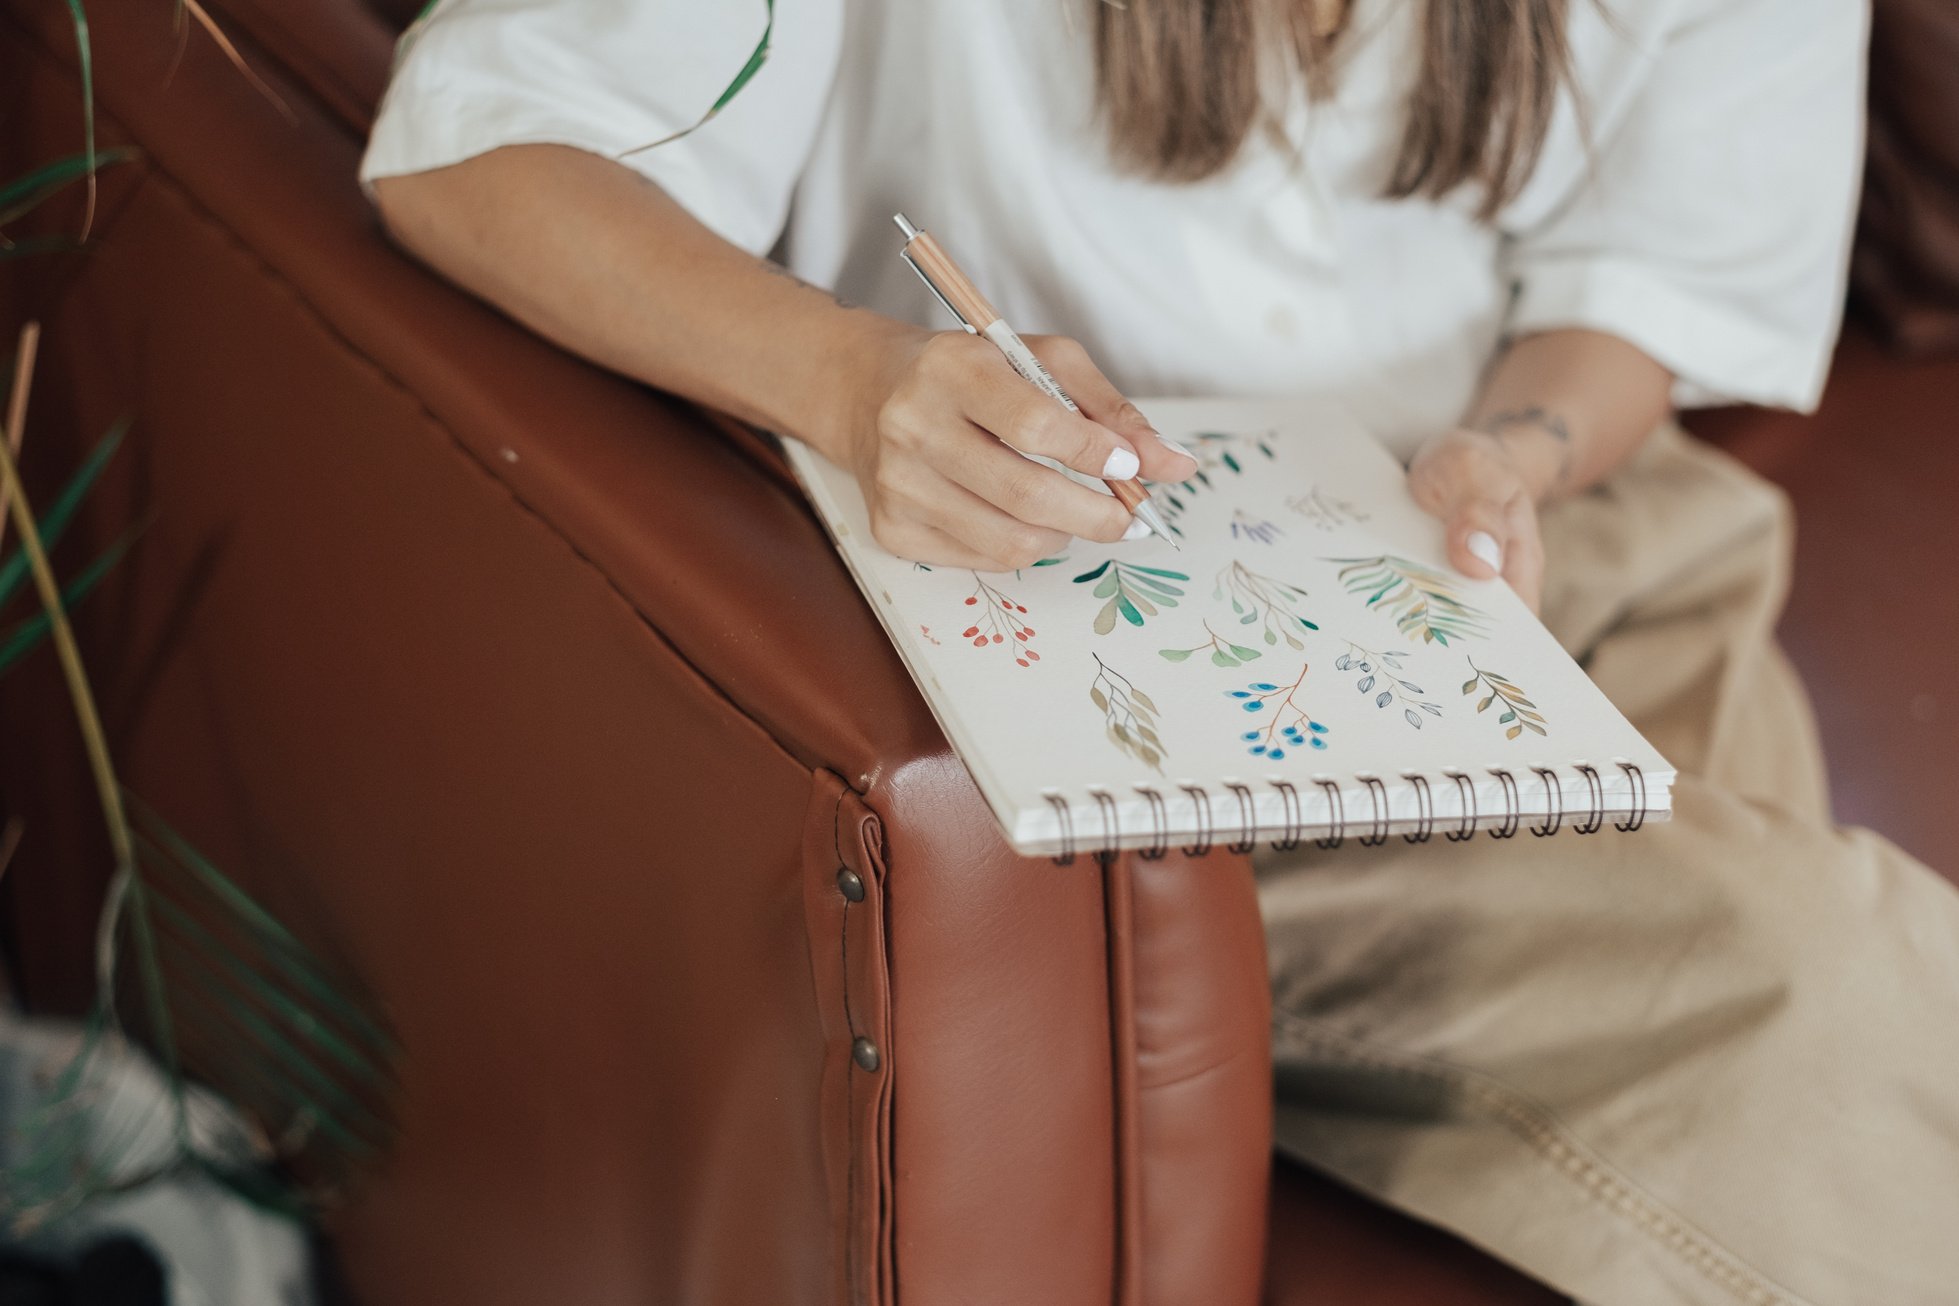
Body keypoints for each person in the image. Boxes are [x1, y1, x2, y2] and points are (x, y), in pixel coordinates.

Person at [359, 1, 1959, 1301]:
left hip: (1533, 550)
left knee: (1815, 1079)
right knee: (1840, 994)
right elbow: (477, 145)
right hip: (1118, 653)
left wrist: (1518, 446)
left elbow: (1643, 287)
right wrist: (854, 379)